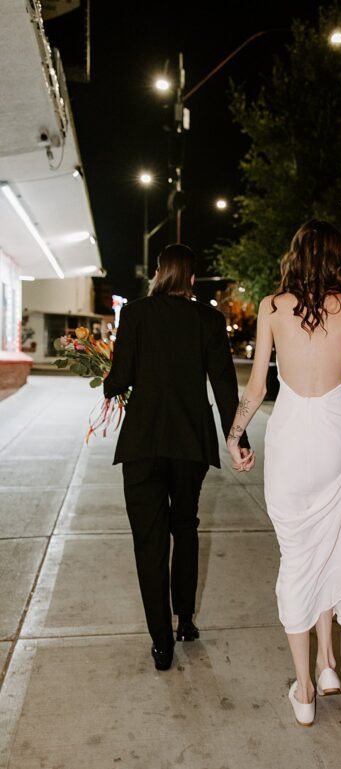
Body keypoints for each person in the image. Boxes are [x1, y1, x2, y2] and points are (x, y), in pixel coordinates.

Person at [224, 219, 341, 727]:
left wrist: (234, 436)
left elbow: (256, 389)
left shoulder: (273, 307)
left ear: (295, 256)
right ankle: (327, 663)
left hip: (293, 437)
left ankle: (304, 691)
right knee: (329, 543)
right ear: (340, 257)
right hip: (337, 435)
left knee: (299, 555)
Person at [104, 244, 250, 671]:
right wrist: (236, 438)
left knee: (149, 541)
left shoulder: (135, 314)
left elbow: (120, 379)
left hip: (143, 444)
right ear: (190, 278)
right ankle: (185, 620)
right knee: (185, 527)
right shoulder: (209, 319)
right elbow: (225, 384)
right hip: (191, 443)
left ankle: (162, 643)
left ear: (157, 273)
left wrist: (106, 381)